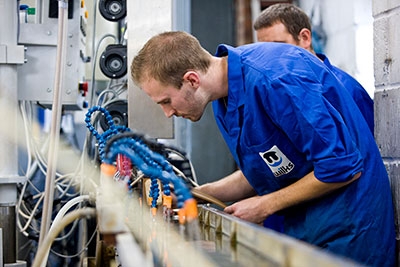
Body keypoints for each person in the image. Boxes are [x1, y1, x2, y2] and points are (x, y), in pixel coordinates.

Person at [130, 31, 395, 266]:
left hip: (350, 229)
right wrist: (200, 193)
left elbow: (342, 167)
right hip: (306, 227)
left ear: (191, 79)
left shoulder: (275, 80)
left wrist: (264, 205)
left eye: (166, 101)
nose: (167, 113)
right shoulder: (224, 100)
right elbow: (270, 167)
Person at [254, 3, 374, 134]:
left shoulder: (347, 90)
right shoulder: (278, 91)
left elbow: (369, 148)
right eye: (264, 50)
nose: (271, 58)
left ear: (305, 38)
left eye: (278, 47)